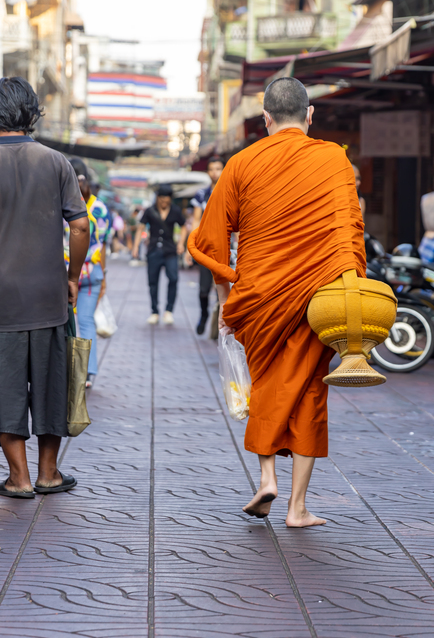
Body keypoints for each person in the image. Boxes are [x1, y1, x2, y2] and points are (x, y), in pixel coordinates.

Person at [188, 77, 365, 528]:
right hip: (318, 297)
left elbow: (211, 238)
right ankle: (297, 507)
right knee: (309, 392)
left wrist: (227, 299)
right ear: (310, 115)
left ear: (265, 118)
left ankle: (267, 478)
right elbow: (349, 231)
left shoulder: (240, 163)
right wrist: (351, 286)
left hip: (259, 298)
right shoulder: (334, 159)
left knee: (265, 386)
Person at [0, 76, 90, 498]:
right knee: (51, 386)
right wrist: (72, 277)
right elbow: (80, 227)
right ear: (32, 114)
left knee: (2, 387)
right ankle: (49, 474)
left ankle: (19, 478)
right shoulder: (57, 163)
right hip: (49, 297)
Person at [68, 157, 111, 389]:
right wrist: (103, 277)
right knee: (85, 321)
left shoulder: (60, 204)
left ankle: (65, 370)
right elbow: (102, 245)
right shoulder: (100, 208)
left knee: (64, 322)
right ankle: (86, 373)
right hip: (92, 271)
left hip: (65, 272)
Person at [133, 184, 185, 325]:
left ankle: (169, 311)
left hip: (170, 251)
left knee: (173, 278)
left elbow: (184, 226)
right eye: (161, 199)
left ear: (170, 199)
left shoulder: (175, 210)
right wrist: (136, 247)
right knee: (153, 282)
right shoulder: (150, 211)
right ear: (157, 198)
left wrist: (181, 243)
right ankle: (154, 312)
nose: (163, 202)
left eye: (166, 200)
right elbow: (140, 228)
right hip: (153, 250)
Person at [185, 156, 224, 334]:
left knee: (222, 289)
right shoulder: (202, 194)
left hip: (225, 248)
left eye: (218, 168)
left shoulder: (231, 191)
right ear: (207, 172)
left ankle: (219, 324)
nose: (215, 172)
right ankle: (204, 314)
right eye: (212, 169)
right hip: (206, 248)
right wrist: (190, 247)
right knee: (203, 289)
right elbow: (196, 221)